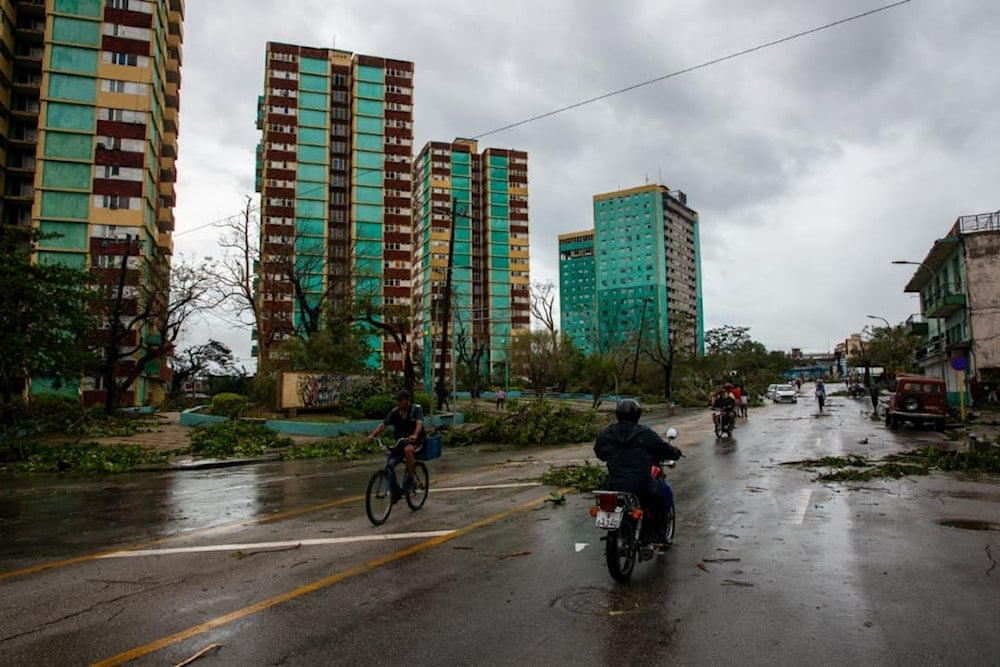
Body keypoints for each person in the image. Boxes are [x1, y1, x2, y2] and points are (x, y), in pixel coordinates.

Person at [594, 399, 682, 543]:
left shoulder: (608, 433)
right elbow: (663, 449)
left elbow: (599, 452)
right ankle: (659, 534)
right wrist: (676, 453)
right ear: (637, 414)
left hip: (613, 484)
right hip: (640, 484)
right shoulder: (644, 433)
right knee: (664, 491)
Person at [368, 389, 426, 491]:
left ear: (408, 400)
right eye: (397, 400)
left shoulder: (416, 409)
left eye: (401, 400)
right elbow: (383, 425)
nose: (398, 403)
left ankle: (411, 479)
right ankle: (395, 490)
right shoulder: (395, 412)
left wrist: (415, 435)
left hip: (415, 442)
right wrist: (372, 435)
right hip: (400, 442)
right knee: (389, 464)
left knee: (408, 450)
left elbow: (419, 423)